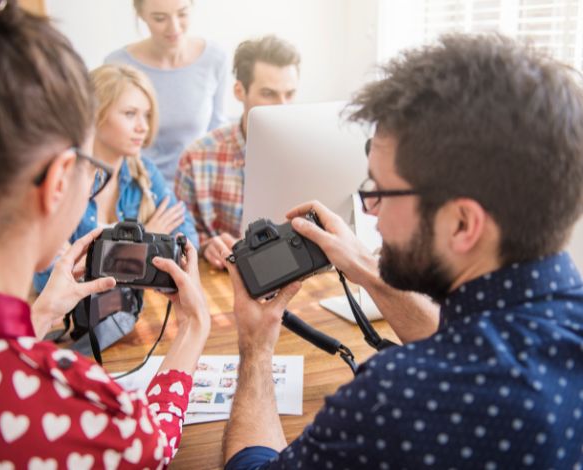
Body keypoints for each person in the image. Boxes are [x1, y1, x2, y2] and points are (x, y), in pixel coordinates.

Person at [221, 34, 583, 468]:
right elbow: (464, 343)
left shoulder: (398, 398)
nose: (369, 210)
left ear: (462, 224)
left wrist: (256, 347)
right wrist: (365, 268)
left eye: (381, 191)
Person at [0, 1, 210, 468]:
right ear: (61, 180)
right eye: (92, 170)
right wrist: (192, 332)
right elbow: (151, 447)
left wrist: (37, 317)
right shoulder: (80, 407)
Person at [33, 63, 199, 292]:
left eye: (147, 115)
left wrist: (103, 260)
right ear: (94, 114)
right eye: (130, 114)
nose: (143, 127)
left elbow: (188, 243)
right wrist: (146, 244)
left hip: (131, 313)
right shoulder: (65, 180)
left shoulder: (145, 172)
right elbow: (47, 280)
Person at [174, 35, 300, 269]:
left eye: (290, 94)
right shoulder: (197, 158)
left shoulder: (309, 153)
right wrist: (205, 245)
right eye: (269, 94)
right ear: (239, 91)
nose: (283, 106)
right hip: (229, 279)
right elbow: (178, 235)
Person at [105, 0, 228, 188]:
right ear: (141, 14)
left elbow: (218, 131)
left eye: (182, 14)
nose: (174, 27)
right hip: (137, 185)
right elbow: (109, 138)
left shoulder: (215, 58)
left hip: (197, 185)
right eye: (160, 18)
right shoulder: (117, 65)